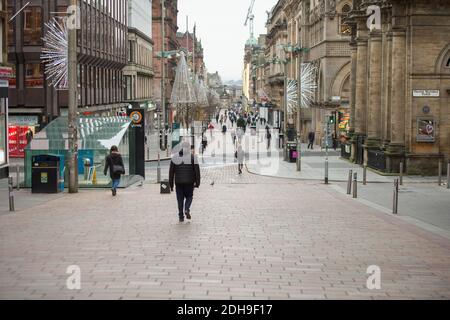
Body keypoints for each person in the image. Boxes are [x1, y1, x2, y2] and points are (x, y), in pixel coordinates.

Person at [169, 142, 201, 223]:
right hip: (189, 182)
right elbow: (197, 171)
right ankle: (186, 209)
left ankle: (181, 216)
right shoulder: (193, 157)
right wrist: (197, 183)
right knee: (189, 197)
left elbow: (171, 172)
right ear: (189, 148)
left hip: (178, 182)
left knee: (180, 199)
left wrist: (171, 185)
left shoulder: (175, 157)